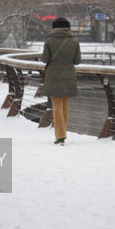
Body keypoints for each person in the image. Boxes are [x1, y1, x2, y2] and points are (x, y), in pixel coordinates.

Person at [41, 17, 81, 145]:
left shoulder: (49, 40)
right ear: (67, 27)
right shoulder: (74, 41)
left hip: (53, 76)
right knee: (65, 106)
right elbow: (77, 61)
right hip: (69, 76)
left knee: (56, 106)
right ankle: (62, 132)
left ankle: (60, 135)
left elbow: (45, 59)